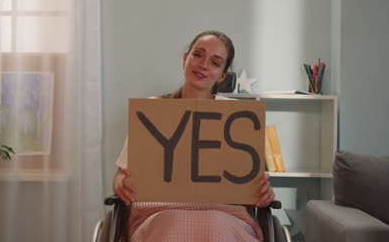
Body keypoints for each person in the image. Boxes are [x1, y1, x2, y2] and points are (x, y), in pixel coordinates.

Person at [113, 30, 275, 242]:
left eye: (215, 63)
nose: (203, 65)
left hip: (225, 214)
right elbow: (121, 174)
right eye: (198, 55)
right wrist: (120, 184)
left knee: (215, 223)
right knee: (172, 221)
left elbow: (251, 181)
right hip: (159, 212)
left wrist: (263, 192)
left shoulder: (237, 116)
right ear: (185, 58)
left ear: (222, 75)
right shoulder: (153, 109)